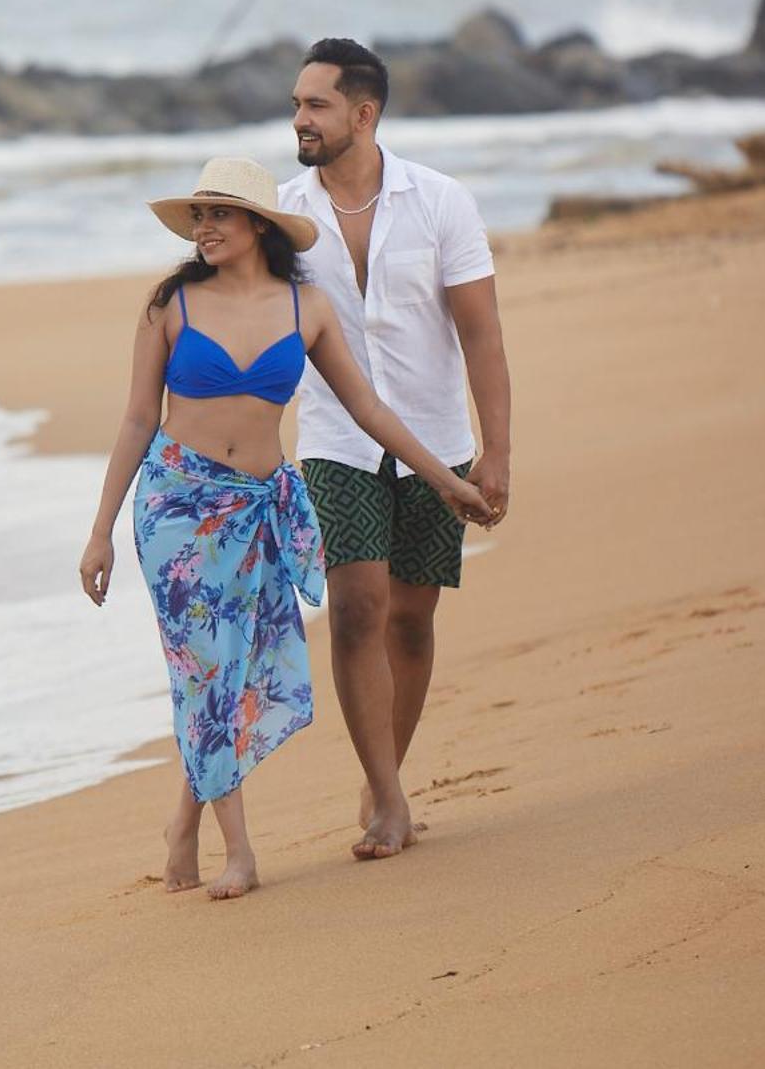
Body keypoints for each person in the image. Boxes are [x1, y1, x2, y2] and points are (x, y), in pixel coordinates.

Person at [79, 157, 493, 899]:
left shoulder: (308, 308)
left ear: (259, 228)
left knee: (231, 669)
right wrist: (101, 528)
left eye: (220, 216)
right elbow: (140, 416)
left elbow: (368, 409)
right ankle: (239, 850)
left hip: (261, 507)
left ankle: (183, 823)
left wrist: (445, 478)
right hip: (177, 507)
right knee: (205, 667)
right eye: (198, 217)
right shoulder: (169, 305)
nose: (204, 229)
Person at [278, 38, 514, 861]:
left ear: (363, 113)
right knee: (354, 609)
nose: (299, 118)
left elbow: (481, 335)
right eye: (299, 103)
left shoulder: (441, 201)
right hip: (337, 441)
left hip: (437, 445)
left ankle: (386, 775)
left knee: (412, 619)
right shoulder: (283, 216)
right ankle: (388, 796)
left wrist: (495, 452)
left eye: (316, 105)